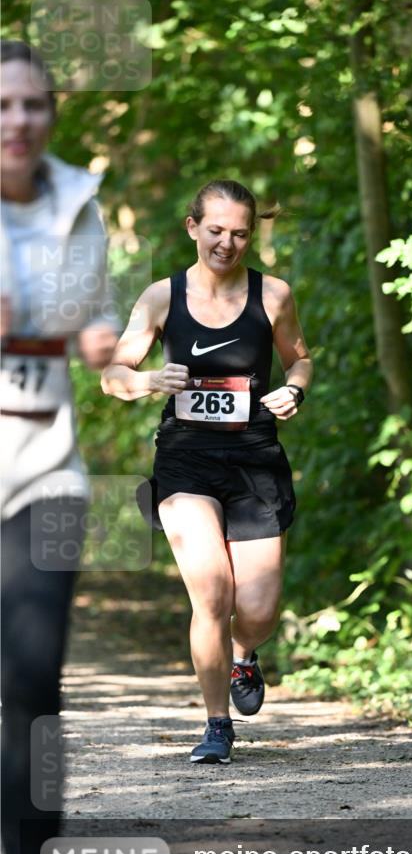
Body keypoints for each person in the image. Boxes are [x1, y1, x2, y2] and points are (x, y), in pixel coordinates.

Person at [101, 179, 313, 764]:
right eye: (216, 230)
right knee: (211, 593)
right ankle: (217, 724)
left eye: (240, 232)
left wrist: (294, 389)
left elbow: (299, 357)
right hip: (185, 460)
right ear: (193, 227)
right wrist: (145, 380)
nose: (228, 242)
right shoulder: (160, 297)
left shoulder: (272, 296)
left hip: (254, 460)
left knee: (259, 612)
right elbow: (114, 372)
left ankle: (246, 653)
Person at [0, 40, 119, 854]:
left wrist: (105, 345)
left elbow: (91, 328)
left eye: (35, 105)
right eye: (3, 106)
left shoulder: (77, 205)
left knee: (33, 691)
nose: (19, 122)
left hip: (47, 475)